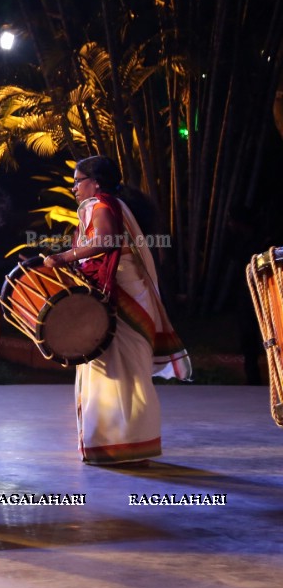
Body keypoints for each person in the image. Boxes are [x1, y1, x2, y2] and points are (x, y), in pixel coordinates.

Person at [43, 155, 191, 465]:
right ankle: (123, 445)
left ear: (95, 183)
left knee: (118, 371)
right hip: (127, 293)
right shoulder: (109, 204)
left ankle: (122, 446)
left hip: (123, 296)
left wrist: (64, 257)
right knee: (121, 372)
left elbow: (107, 240)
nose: (74, 189)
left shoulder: (98, 204)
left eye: (77, 181)